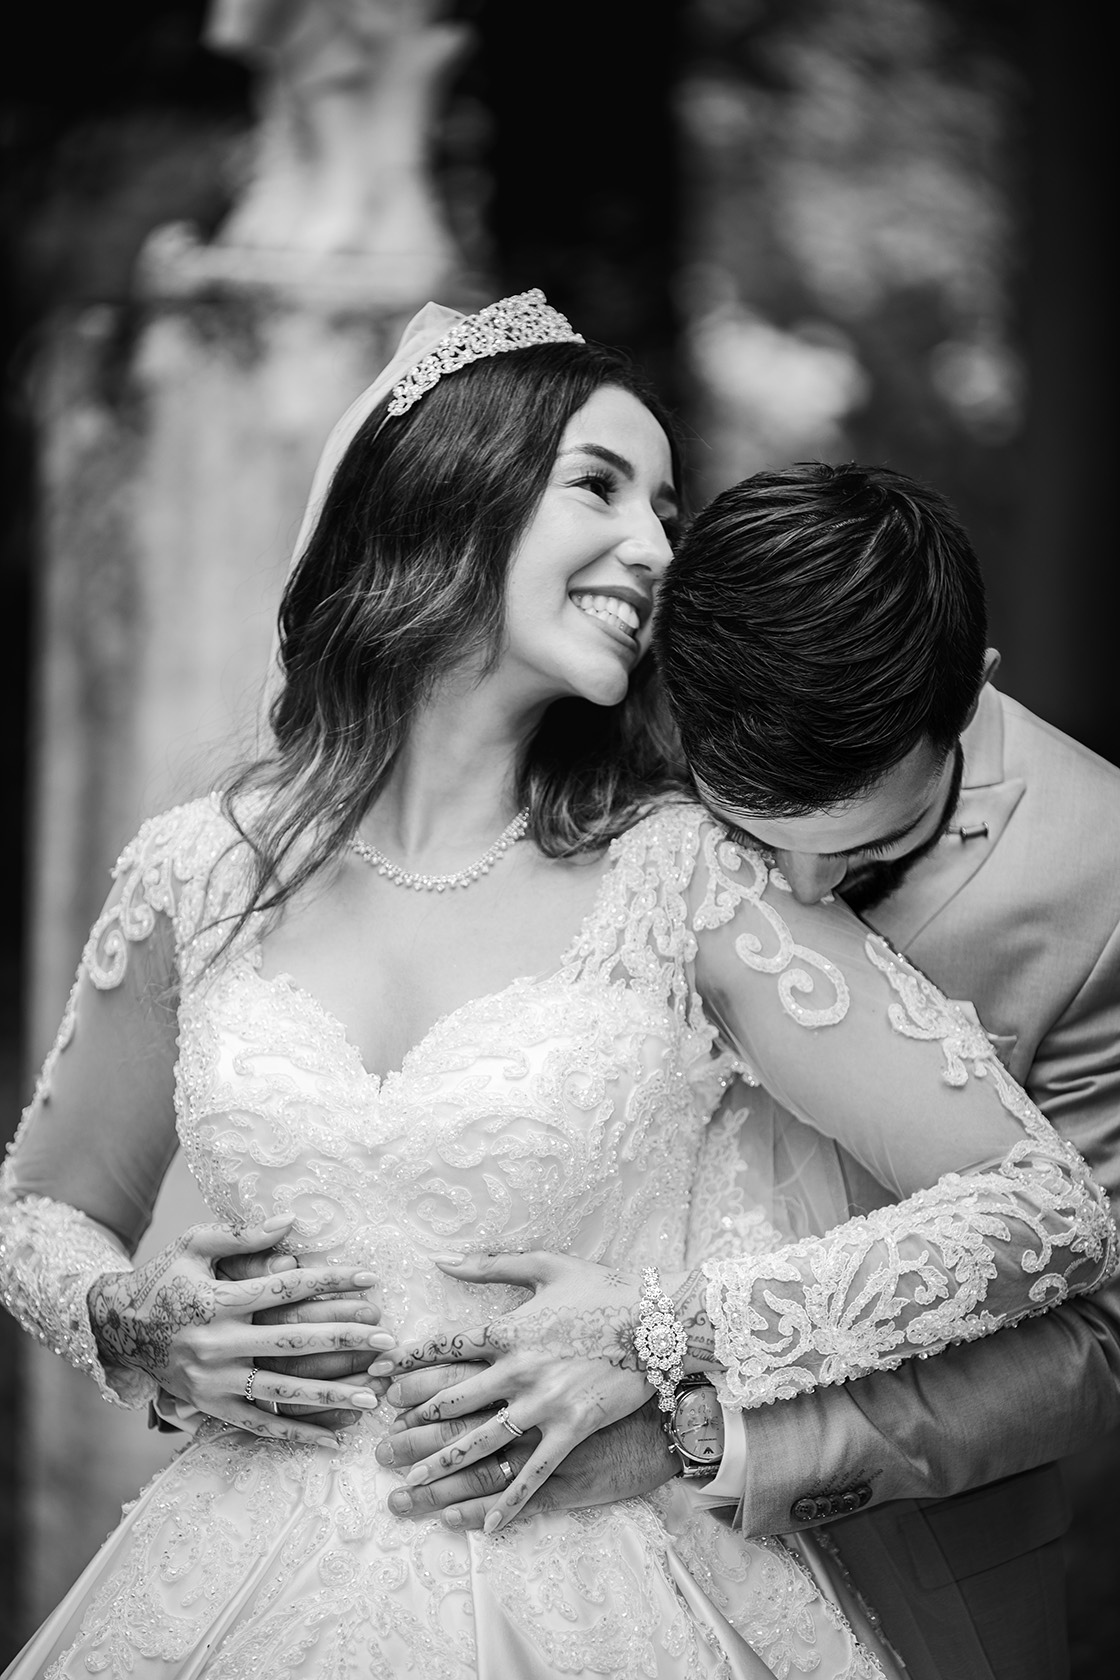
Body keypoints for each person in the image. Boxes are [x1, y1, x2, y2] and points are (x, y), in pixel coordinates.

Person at [0, 298, 1113, 1680]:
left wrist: (667, 1336)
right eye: (601, 485)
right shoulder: (198, 871)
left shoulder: (682, 874)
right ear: (438, 499)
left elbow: (1050, 1213)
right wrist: (132, 1324)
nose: (655, 547)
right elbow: (42, 1205)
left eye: (666, 505)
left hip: (600, 1586)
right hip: (226, 1583)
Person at [376, 463, 1120, 1680]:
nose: (801, 895)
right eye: (758, 839)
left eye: (873, 844)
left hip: (898, 1546)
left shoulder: (1100, 881)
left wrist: (700, 1431)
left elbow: (1097, 1333)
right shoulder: (603, 731)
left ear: (971, 695)